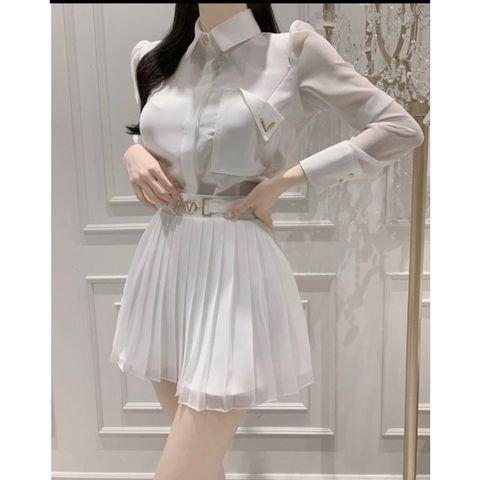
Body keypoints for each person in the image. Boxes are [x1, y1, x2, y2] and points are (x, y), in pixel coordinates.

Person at [109, 4, 425, 479]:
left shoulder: (292, 54)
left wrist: (287, 179)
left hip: (234, 267)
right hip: (165, 261)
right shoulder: (151, 59)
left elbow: (400, 129)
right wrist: (132, 153)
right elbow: (162, 138)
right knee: (200, 466)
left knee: (178, 472)